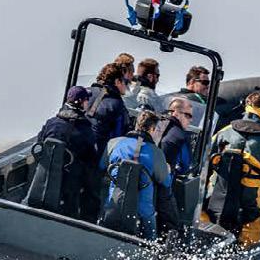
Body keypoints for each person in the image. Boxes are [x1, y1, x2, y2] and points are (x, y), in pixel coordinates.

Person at [205, 91, 260, 247]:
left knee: (213, 213)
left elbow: (206, 156)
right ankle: (246, 252)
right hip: (249, 190)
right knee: (252, 220)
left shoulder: (226, 130)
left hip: (221, 186)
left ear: (246, 106)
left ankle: (208, 244)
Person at [100, 110, 171, 240]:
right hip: (142, 215)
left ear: (136, 124)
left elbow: (101, 166)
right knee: (152, 220)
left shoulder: (114, 143)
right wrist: (168, 171)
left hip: (112, 205)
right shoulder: (157, 153)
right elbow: (165, 182)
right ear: (152, 129)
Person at [32, 85, 98, 218]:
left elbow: (40, 144)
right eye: (86, 100)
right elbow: (91, 160)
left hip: (42, 177)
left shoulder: (51, 123)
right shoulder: (85, 130)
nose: (88, 103)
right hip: (69, 186)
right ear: (80, 102)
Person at [153, 96, 196, 235]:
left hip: (142, 181)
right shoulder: (181, 136)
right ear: (176, 113)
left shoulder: (154, 125)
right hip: (163, 186)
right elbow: (185, 165)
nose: (190, 120)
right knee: (172, 226)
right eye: (188, 115)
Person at [87, 62, 132, 147]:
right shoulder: (117, 104)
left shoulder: (85, 92)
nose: (127, 86)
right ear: (117, 82)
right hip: (97, 152)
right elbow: (119, 138)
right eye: (126, 82)